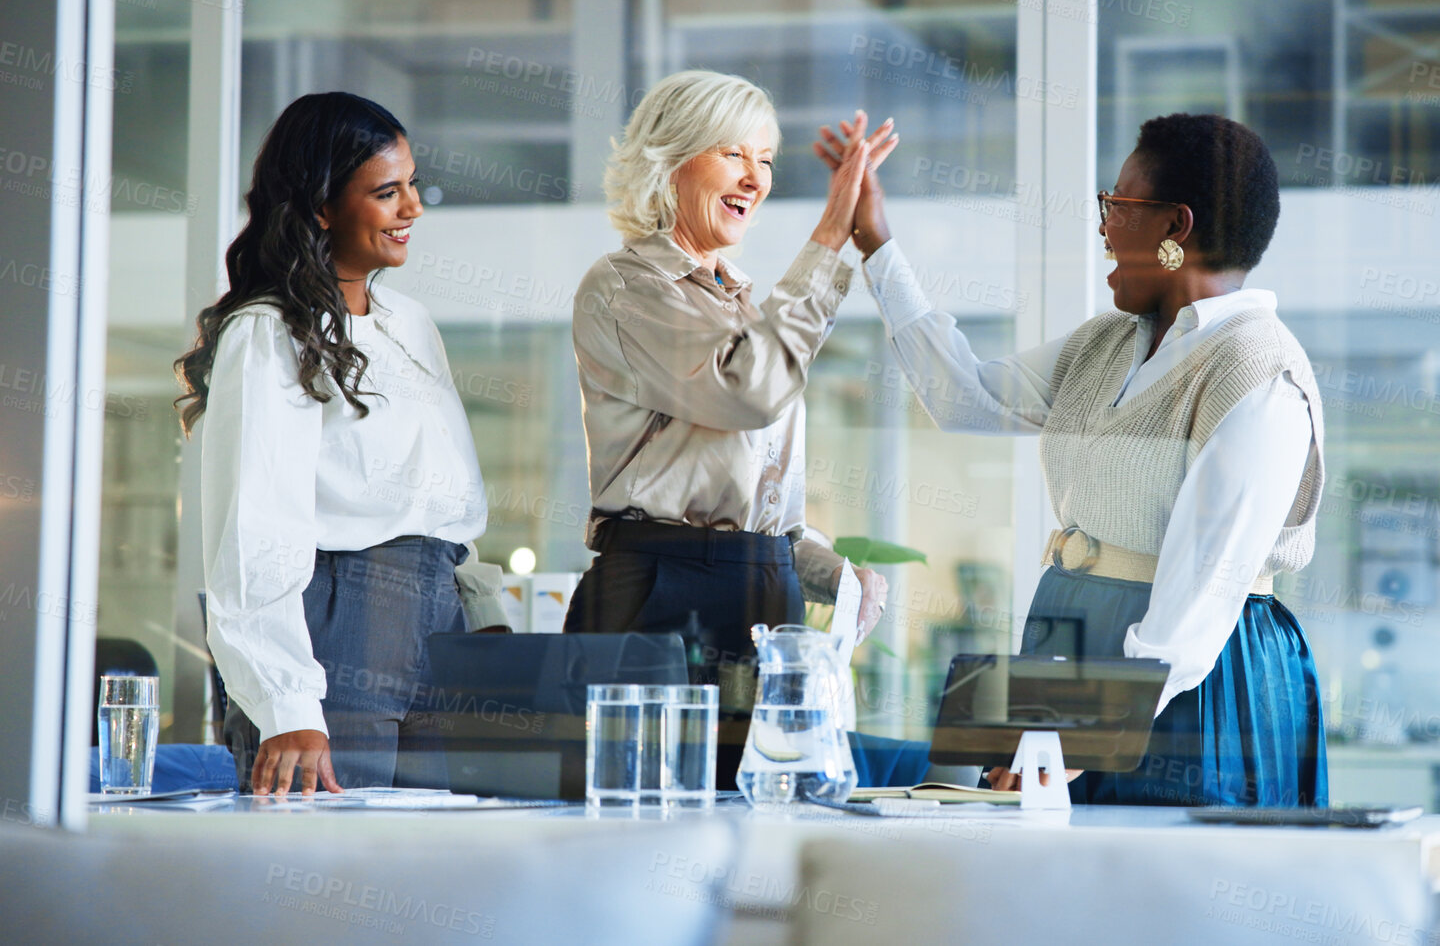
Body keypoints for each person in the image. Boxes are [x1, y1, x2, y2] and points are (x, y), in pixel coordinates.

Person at [818, 112, 1328, 806]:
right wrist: (874, 241)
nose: (1102, 226)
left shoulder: (1258, 373)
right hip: (1070, 639)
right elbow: (961, 396)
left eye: (1117, 206)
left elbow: (1201, 595)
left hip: (1194, 675)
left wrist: (1077, 741)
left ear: (1175, 228)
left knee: (1160, 893)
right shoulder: (1107, 343)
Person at [177, 92, 499, 796]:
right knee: (330, 872)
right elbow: (253, 532)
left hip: (437, 624)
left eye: (412, 184)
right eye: (388, 192)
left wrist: (485, 621)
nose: (413, 208)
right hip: (335, 624)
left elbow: (449, 507)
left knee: (432, 867)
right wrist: (287, 703)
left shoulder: (411, 324)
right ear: (322, 205)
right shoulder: (269, 332)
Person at [565, 71, 895, 682]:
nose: (756, 178)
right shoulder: (626, 284)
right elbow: (752, 395)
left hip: (761, 595)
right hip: (660, 593)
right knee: (654, 775)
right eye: (733, 153)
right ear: (670, 162)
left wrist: (837, 576)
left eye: (765, 159)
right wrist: (830, 233)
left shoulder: (744, 307)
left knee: (759, 779)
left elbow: (769, 521)